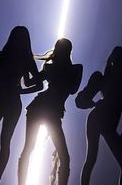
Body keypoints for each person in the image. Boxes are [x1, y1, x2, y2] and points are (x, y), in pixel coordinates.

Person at [0, 26, 43, 185]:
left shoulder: (25, 59)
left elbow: (37, 84)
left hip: (12, 103)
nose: (18, 40)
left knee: (4, 141)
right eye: (16, 36)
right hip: (0, 101)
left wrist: (21, 92)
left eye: (21, 37)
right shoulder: (4, 55)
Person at [18, 38, 83, 185]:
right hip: (44, 109)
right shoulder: (57, 68)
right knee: (33, 149)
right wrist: (26, 64)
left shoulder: (72, 68)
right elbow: (30, 82)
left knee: (31, 149)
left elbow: (73, 89)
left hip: (47, 110)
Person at [75, 46, 122, 185]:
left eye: (120, 61)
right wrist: (94, 104)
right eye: (117, 61)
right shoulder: (102, 79)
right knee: (91, 159)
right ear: (113, 62)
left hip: (109, 126)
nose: (119, 64)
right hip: (97, 120)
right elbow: (80, 101)